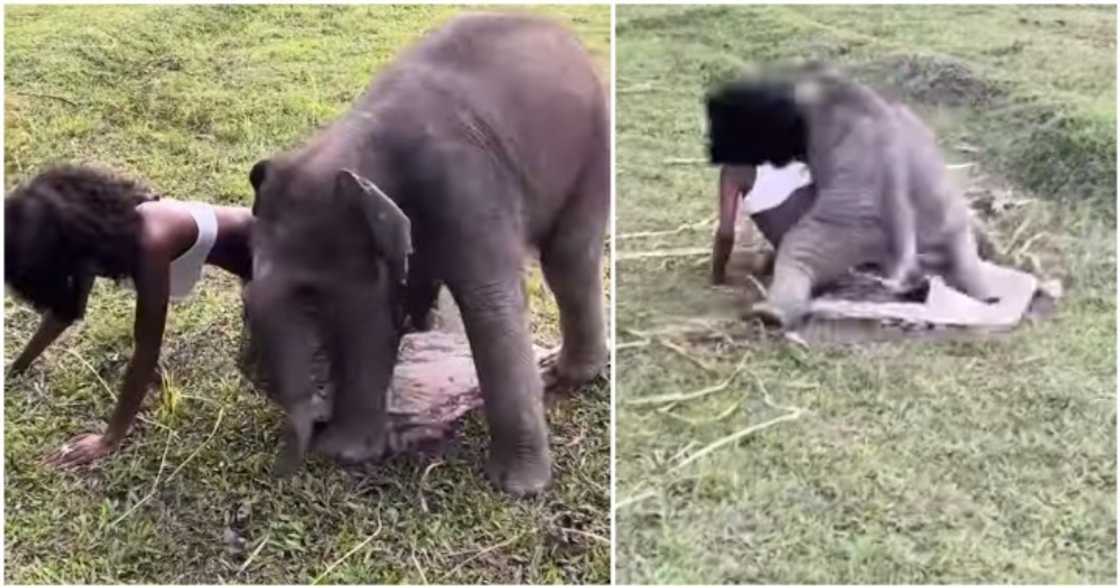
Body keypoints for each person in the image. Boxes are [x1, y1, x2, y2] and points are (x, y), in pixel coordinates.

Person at [5, 164, 253, 466]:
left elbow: (148, 348)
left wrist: (109, 439)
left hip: (282, 258)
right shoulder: (88, 243)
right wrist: (18, 366)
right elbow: (65, 312)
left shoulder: (151, 241)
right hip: (257, 263)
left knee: (281, 363)